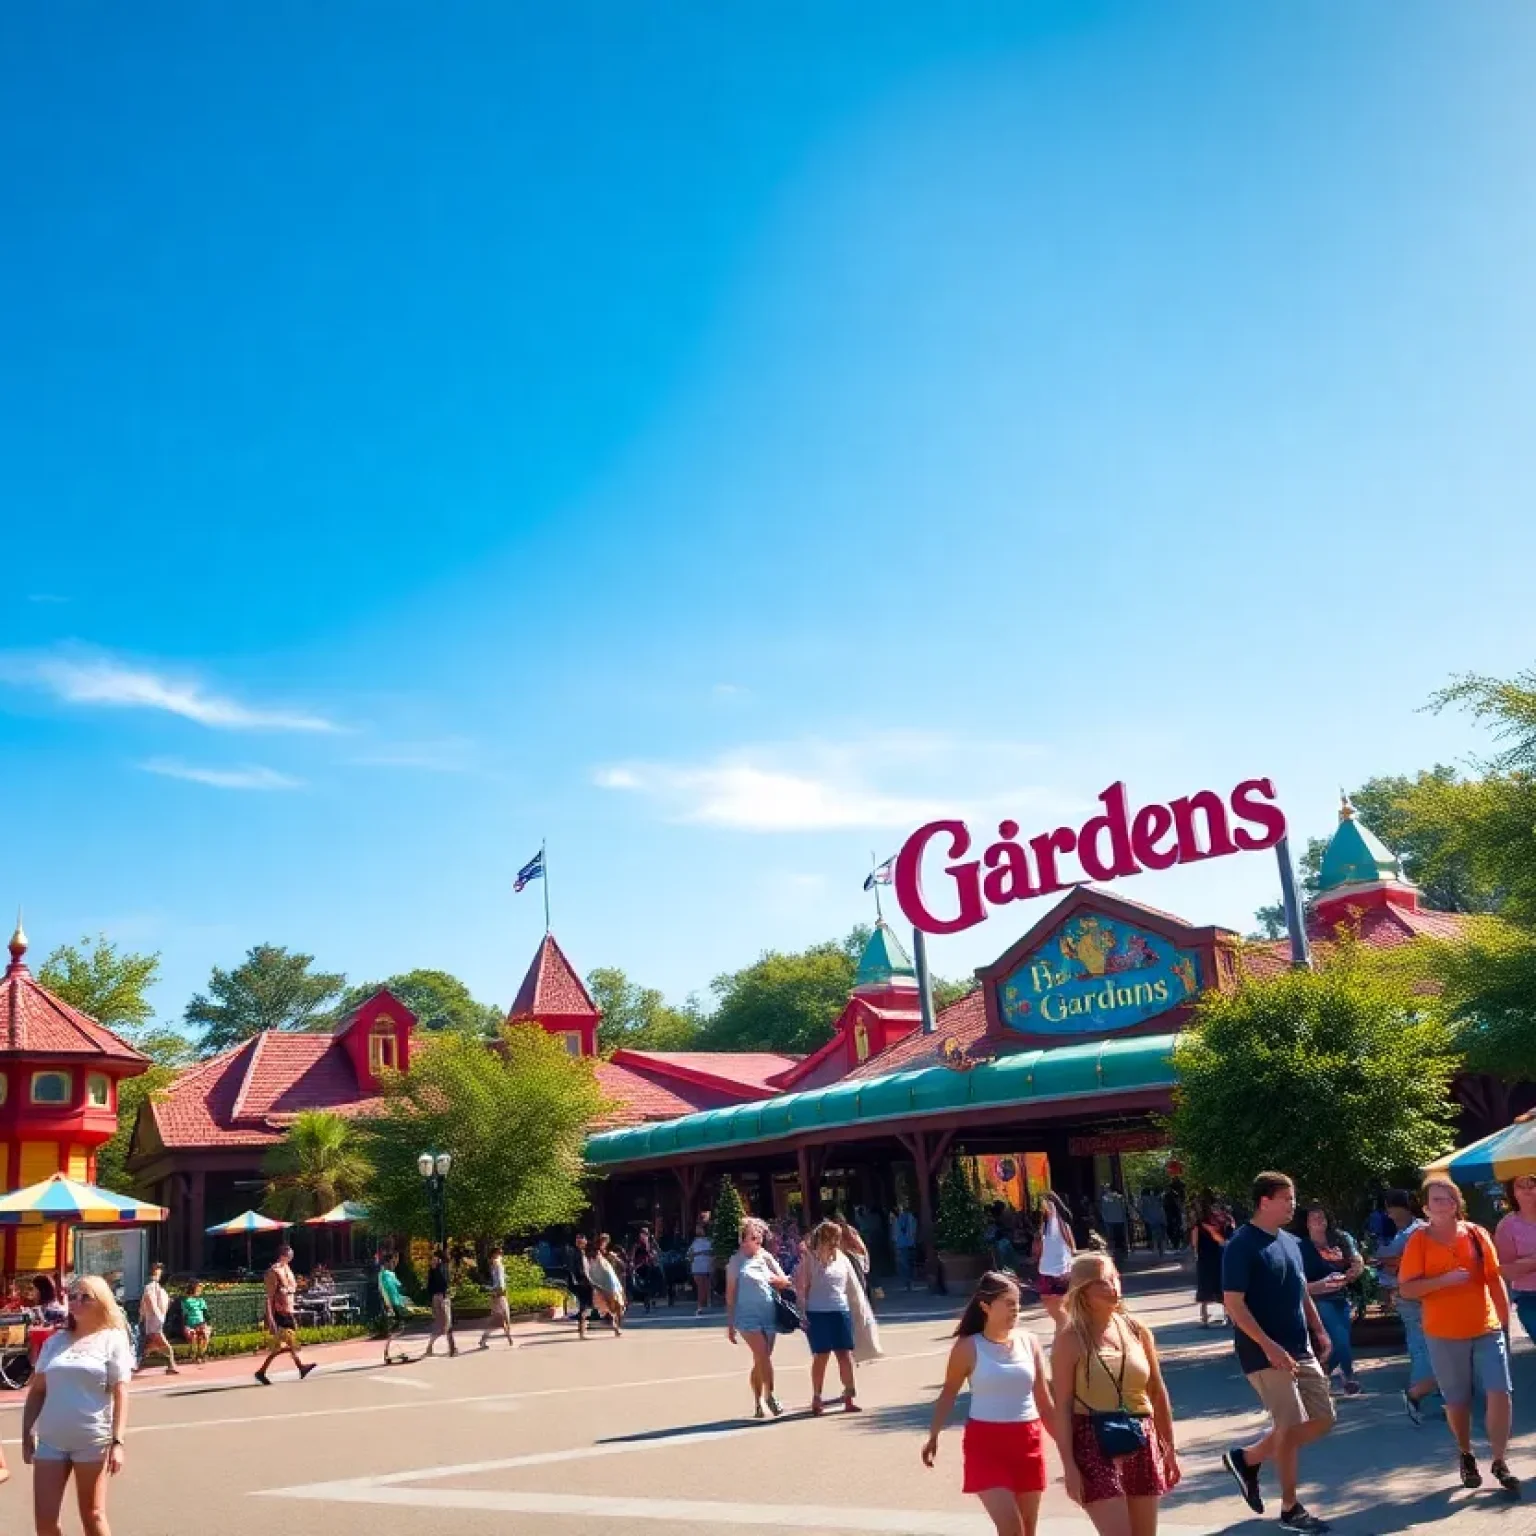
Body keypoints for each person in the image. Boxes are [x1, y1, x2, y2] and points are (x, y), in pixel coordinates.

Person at [1219, 1172, 1336, 1535]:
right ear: (1264, 1201)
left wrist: (1318, 1329)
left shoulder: (1290, 1241)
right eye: (1286, 1198)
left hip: (1300, 1348)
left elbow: (1299, 1290)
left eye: (1293, 1197)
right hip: (1262, 1352)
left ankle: (1248, 1458)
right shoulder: (1241, 1245)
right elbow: (1234, 1305)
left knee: (1323, 1418)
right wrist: (1268, 1346)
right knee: (1287, 1427)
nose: (1293, 1204)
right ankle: (1290, 1508)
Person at [1398, 1175, 1520, 1494]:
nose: (1445, 1203)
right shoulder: (1419, 1241)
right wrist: (1444, 1280)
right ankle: (1466, 1454)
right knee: (1457, 1400)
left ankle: (1499, 1461)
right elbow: (1407, 1288)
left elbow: (1494, 1280)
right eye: (1437, 1199)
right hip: (1443, 1332)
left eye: (1450, 1197)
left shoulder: (1477, 1234)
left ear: (1457, 1204)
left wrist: (1504, 1325)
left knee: (1500, 1393)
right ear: (1426, 1208)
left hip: (1486, 1327)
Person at [1049, 1252, 1180, 1536]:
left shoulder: (1137, 1330)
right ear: (1083, 1291)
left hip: (1141, 1436)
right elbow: (1062, 1407)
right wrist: (1069, 1467)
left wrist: (1168, 1449)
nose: (1113, 1287)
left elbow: (1157, 1391)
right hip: (1093, 1440)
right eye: (1103, 1282)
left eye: (1114, 1278)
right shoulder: (1069, 1339)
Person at [922, 1270, 1056, 1536]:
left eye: (1017, 1304)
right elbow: (948, 1393)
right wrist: (933, 1435)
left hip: (1028, 1440)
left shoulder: (1029, 1342)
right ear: (985, 1306)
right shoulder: (968, 1347)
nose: (1015, 1310)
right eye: (1008, 1304)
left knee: (1028, 1530)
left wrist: (1067, 1445)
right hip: (986, 1445)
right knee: (1011, 1528)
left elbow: (1044, 1399)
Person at [23, 1276, 130, 1536]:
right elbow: (37, 1391)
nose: (76, 1302)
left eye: (85, 1297)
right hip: (51, 1440)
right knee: (45, 1523)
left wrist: (117, 1443)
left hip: (92, 1440)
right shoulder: (55, 1342)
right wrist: (27, 1434)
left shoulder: (112, 1339)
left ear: (102, 1301)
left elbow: (121, 1393)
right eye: (72, 1296)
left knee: (92, 1515)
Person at [1375, 1189, 1439, 1423]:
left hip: (1416, 1296)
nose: (1389, 1213)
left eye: (1391, 1207)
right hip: (1410, 1296)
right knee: (1421, 1345)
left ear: (1403, 1208)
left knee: (1422, 1347)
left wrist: (1385, 1261)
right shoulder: (1410, 1231)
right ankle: (1425, 1395)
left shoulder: (1414, 1232)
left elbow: (1390, 1260)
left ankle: (1421, 1396)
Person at [725, 1215, 795, 1419]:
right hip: (746, 1317)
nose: (759, 1241)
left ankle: (757, 1401)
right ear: (743, 1239)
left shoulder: (764, 1256)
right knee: (763, 1355)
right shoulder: (735, 1262)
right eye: (754, 1237)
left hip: (769, 1313)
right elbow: (730, 1296)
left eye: (760, 1237)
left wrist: (773, 1279)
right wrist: (730, 1325)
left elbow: (784, 1279)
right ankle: (771, 1395)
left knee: (761, 1359)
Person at [1295, 1204, 1364, 1397]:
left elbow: (1357, 1261)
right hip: (1318, 1298)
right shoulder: (1300, 1246)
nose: (1319, 1220)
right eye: (1313, 1217)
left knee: (1341, 1338)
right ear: (1306, 1223)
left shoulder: (1339, 1238)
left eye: (1321, 1216)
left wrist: (1351, 1274)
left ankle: (1322, 1375)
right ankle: (1349, 1378)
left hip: (1342, 1295)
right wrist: (1319, 1285)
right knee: (1340, 1338)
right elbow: (1297, 1283)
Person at [798, 1220, 860, 1416]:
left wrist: (860, 1310)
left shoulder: (842, 1258)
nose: (838, 1241)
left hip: (840, 1310)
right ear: (826, 1237)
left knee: (845, 1355)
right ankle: (817, 1397)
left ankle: (849, 1397)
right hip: (817, 1312)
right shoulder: (810, 1259)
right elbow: (802, 1288)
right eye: (835, 1237)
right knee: (821, 1355)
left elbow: (854, 1286)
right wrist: (802, 1313)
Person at [255, 1245, 315, 1385]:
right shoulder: (273, 1272)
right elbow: (269, 1296)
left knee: (288, 1342)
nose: (291, 1256)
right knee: (288, 1342)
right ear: (282, 1254)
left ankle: (264, 1371)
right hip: (280, 1312)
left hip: (288, 1309)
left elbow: (291, 1287)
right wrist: (270, 1317)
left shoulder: (287, 1268)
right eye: (289, 1254)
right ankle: (300, 1367)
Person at [1495, 1172, 1536, 1344]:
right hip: (1529, 1298)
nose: (1527, 1190)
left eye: (1532, 1184)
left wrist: (1526, 1262)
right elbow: (1507, 1271)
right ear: (1512, 1191)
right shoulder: (1507, 1226)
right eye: (1521, 1185)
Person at [1033, 1193, 1076, 1326]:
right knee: (1061, 1312)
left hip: (1056, 1273)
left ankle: (1067, 1334)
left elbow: (1036, 1252)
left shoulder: (1049, 1229)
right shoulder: (1059, 1227)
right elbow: (1073, 1248)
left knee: (1060, 1313)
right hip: (1056, 1272)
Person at [133, 1264, 177, 1376]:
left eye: (158, 1273)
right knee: (154, 1345)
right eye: (155, 1273)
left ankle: (137, 1364)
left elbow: (159, 1304)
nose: (157, 1275)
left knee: (147, 1346)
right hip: (151, 1321)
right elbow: (149, 1302)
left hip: (154, 1322)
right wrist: (157, 1317)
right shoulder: (151, 1287)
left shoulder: (160, 1289)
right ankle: (171, 1365)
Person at [1193, 1199, 1229, 1329]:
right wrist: (1196, 1252)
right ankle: (1205, 1319)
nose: (1217, 1212)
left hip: (1218, 1257)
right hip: (1207, 1258)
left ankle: (1227, 1316)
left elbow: (1223, 1242)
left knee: (1220, 1286)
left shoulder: (1226, 1223)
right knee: (1206, 1287)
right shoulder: (1202, 1224)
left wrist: (1212, 1231)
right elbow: (1195, 1239)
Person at [479, 1244, 517, 1350]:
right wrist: (498, 1290)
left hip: (497, 1294)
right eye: (500, 1253)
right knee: (502, 1318)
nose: (501, 1255)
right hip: (499, 1294)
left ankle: (509, 1339)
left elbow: (499, 1279)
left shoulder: (494, 1265)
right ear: (495, 1254)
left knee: (500, 1319)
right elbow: (499, 1282)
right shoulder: (498, 1264)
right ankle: (508, 1339)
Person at [586, 1234, 626, 1336]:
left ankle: (616, 1327)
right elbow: (593, 1268)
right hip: (605, 1283)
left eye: (606, 1242)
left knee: (618, 1306)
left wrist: (614, 1258)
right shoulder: (595, 1254)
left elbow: (620, 1265)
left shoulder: (606, 1253)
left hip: (612, 1282)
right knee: (610, 1306)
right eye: (603, 1241)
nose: (604, 1243)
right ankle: (615, 1328)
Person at [423, 1245, 459, 1357]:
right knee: (447, 1323)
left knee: (440, 1324)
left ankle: (431, 1347)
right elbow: (445, 1283)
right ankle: (451, 1348)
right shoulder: (443, 1267)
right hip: (443, 1297)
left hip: (436, 1297)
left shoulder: (433, 1269)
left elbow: (429, 1287)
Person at [377, 1252, 411, 1365]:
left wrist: (404, 1299)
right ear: (387, 1262)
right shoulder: (384, 1274)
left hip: (396, 1303)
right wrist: (389, 1306)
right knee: (397, 1328)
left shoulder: (390, 1274)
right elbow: (385, 1291)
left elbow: (396, 1289)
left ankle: (391, 1351)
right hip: (392, 1305)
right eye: (392, 1262)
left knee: (399, 1327)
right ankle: (390, 1351)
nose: (394, 1264)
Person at [179, 1280, 211, 1366]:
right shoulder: (185, 1301)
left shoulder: (201, 1300)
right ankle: (194, 1355)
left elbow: (206, 1314)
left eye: (200, 1289)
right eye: (198, 1289)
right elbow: (184, 1315)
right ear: (193, 1289)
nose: (200, 1291)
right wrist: (186, 1326)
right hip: (190, 1325)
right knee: (194, 1335)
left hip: (201, 1323)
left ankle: (200, 1355)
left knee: (206, 1334)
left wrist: (207, 1325)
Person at [569, 1235, 595, 1339]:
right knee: (584, 1306)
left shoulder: (582, 1253)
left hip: (584, 1282)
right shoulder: (576, 1253)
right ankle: (582, 1331)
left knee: (585, 1306)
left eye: (583, 1242)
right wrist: (587, 1279)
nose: (583, 1244)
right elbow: (579, 1269)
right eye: (580, 1242)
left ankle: (583, 1330)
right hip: (581, 1283)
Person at [686, 1222, 713, 1313]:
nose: (698, 1230)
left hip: (705, 1265)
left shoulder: (709, 1241)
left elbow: (712, 1252)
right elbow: (689, 1254)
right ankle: (701, 1304)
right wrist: (694, 1256)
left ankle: (702, 1304)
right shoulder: (695, 1242)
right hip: (697, 1265)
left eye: (699, 1228)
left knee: (705, 1286)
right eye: (697, 1229)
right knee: (700, 1286)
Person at [892, 1204, 919, 1290]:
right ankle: (910, 1282)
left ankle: (908, 1282)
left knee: (905, 1264)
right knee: (909, 1264)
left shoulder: (899, 1219)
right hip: (909, 1244)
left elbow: (895, 1234)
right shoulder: (908, 1218)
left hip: (903, 1245)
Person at [1099, 1187, 1129, 1261]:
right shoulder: (1120, 1197)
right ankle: (1120, 1251)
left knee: (1111, 1237)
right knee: (1119, 1237)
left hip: (1109, 1220)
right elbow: (1124, 1208)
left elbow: (1103, 1209)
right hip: (1119, 1219)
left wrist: (1104, 1218)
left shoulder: (1105, 1198)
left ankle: (1113, 1252)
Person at [1138, 1191, 1168, 1256]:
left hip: (1151, 1219)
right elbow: (1161, 1207)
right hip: (1160, 1218)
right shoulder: (1156, 1199)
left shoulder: (1144, 1200)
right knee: (1160, 1234)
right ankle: (1160, 1248)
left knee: (1154, 1234)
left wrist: (1142, 1217)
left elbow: (1141, 1210)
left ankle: (1156, 1247)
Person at [1162, 1188, 1185, 1252]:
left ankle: (1175, 1243)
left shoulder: (1168, 1198)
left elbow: (1164, 1207)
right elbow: (1180, 1207)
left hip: (1172, 1216)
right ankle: (1176, 1243)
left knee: (1171, 1230)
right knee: (1175, 1229)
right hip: (1174, 1215)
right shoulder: (1173, 1197)